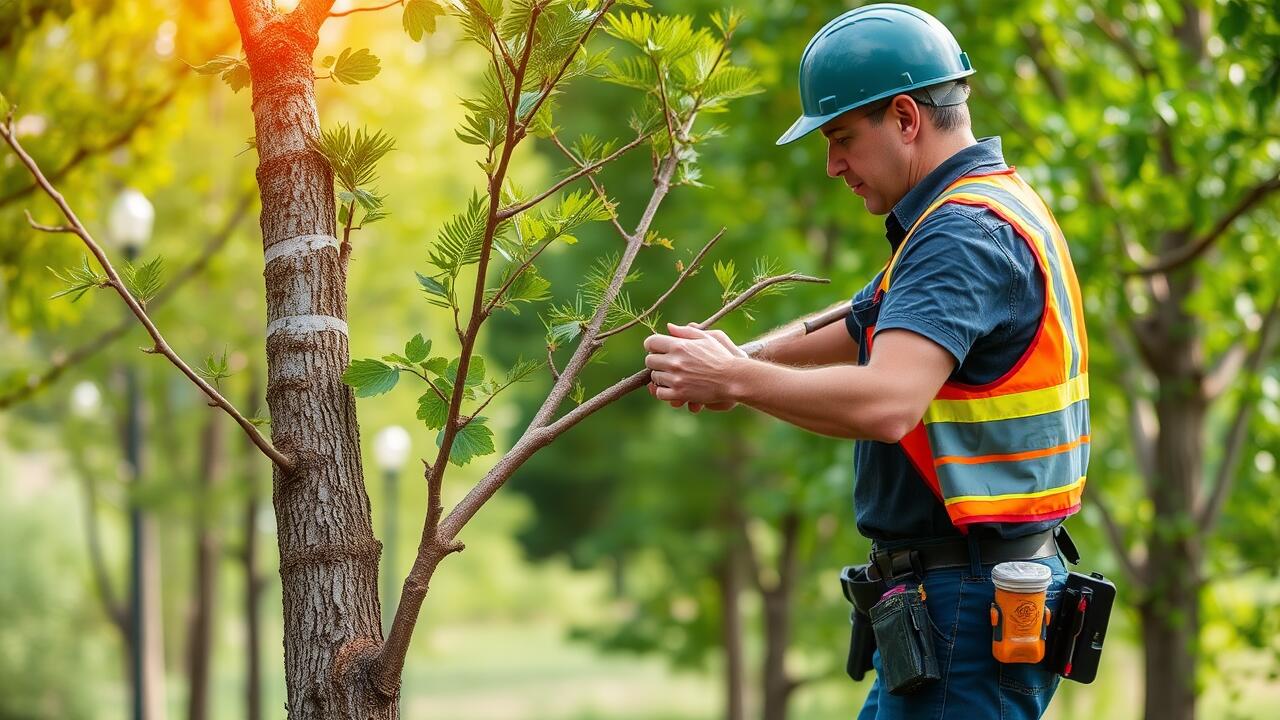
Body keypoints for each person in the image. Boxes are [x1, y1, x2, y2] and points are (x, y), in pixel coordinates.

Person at [642, 4, 1090, 719]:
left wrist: (733, 378)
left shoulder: (960, 235)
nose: (833, 166)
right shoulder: (980, 208)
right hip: (959, 607)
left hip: (964, 611)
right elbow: (860, 322)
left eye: (843, 138)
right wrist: (738, 356)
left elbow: (887, 402)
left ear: (907, 118)